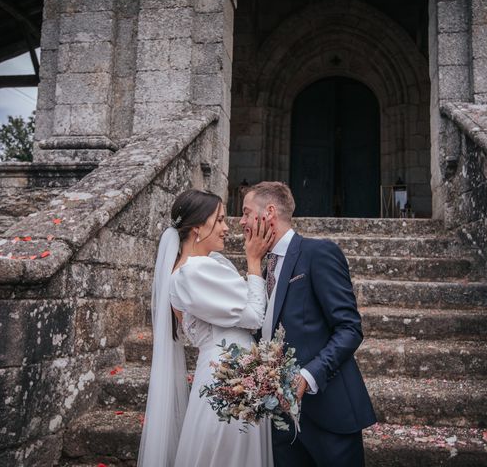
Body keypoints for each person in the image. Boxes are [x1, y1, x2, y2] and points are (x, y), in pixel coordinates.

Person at [239, 181, 377, 467]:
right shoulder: (264, 269)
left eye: (246, 212)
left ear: (269, 213)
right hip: (281, 418)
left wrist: (308, 376)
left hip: (329, 413)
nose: (240, 221)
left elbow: (349, 328)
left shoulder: (318, 253)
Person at [138, 189, 275, 467]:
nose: (227, 228)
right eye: (220, 220)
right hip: (227, 378)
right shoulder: (193, 272)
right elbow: (252, 316)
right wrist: (254, 262)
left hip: (230, 374)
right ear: (198, 227)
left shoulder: (202, 266)